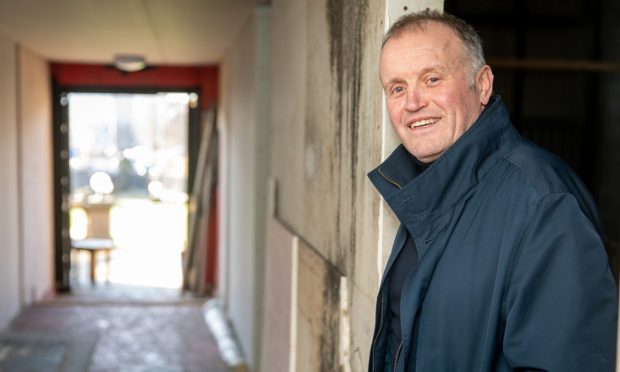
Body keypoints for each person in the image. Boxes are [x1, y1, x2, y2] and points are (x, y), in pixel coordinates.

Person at [367, 9, 618, 372]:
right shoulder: (423, 192)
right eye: (397, 88)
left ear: (482, 84)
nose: (412, 103)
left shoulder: (546, 205)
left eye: (433, 78)